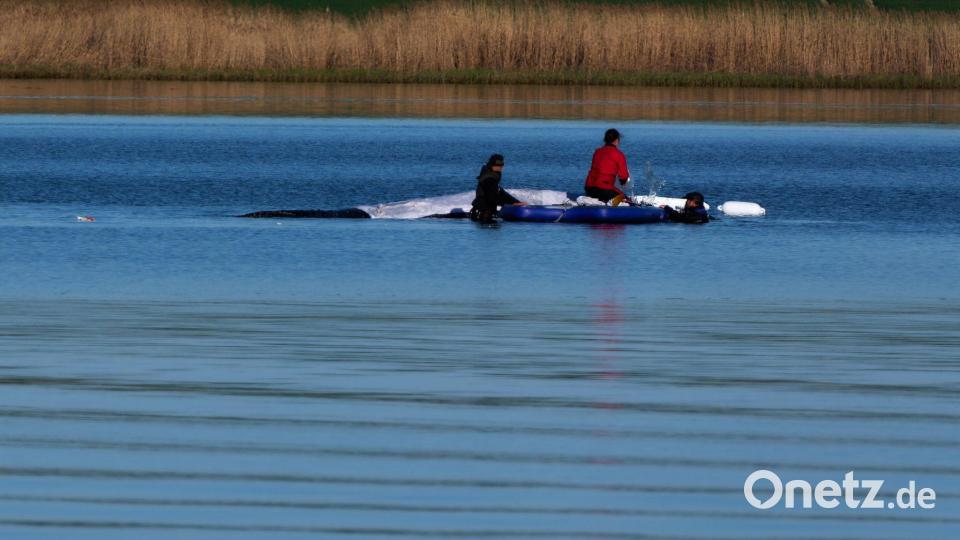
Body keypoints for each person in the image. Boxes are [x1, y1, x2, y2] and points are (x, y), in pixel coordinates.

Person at [470, 154, 525, 223]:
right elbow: (492, 197)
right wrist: (510, 204)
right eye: (498, 165)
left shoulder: (492, 174)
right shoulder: (489, 178)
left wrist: (516, 202)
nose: (501, 167)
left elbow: (500, 191)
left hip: (484, 213)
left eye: (502, 164)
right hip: (483, 215)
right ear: (492, 165)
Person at [584, 128, 631, 206]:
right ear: (617, 140)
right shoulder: (619, 154)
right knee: (627, 200)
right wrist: (623, 183)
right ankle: (611, 207)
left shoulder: (597, 151)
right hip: (603, 189)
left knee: (605, 192)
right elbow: (624, 177)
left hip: (589, 188)